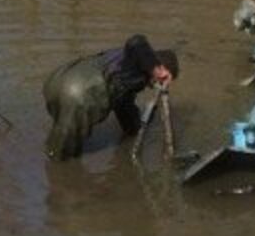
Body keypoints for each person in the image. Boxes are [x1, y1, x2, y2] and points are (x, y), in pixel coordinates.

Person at [43, 35, 178, 160]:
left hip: (58, 80)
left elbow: (124, 104)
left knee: (67, 133)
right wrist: (156, 70)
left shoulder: (126, 64)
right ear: (160, 67)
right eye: (165, 79)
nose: (162, 85)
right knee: (60, 155)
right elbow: (137, 42)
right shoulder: (139, 61)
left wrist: (134, 129)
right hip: (79, 94)